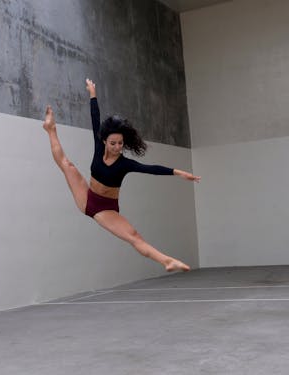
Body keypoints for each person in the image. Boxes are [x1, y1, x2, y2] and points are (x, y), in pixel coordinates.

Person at [43, 78, 200, 272]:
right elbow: (95, 118)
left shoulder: (125, 164)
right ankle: (50, 129)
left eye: (120, 143)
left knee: (133, 235)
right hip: (87, 197)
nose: (117, 147)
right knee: (68, 165)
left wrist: (178, 172)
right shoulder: (99, 145)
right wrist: (93, 93)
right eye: (113, 143)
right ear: (105, 141)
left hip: (105, 208)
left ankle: (167, 260)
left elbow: (150, 169)